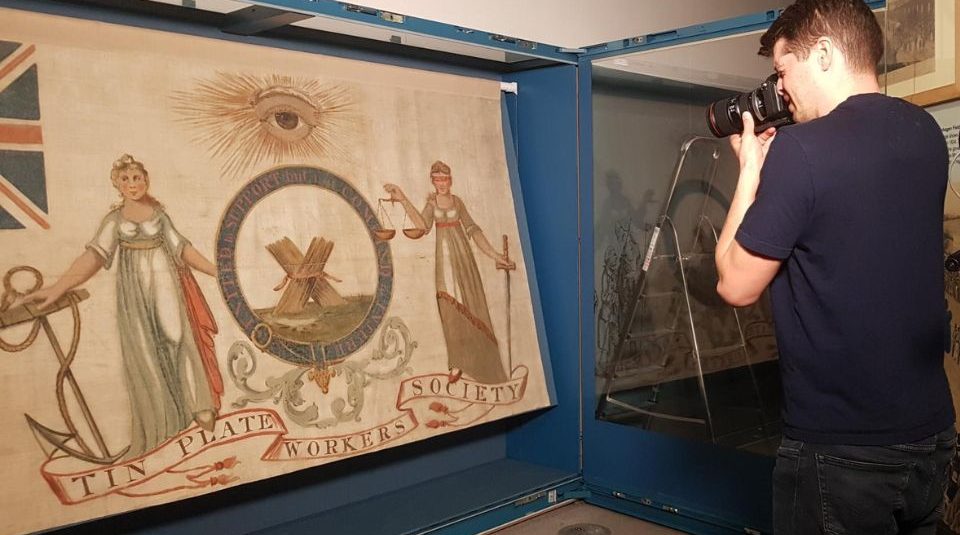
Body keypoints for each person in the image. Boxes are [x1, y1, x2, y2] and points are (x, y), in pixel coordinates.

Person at [713, 1, 956, 533]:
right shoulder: (925, 134)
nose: (780, 91)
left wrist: (751, 172)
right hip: (931, 436)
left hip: (842, 451)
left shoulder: (801, 150)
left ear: (823, 54)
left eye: (782, 71)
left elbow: (734, 282)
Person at [23, 154, 223, 459]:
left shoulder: (159, 215)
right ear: (117, 184)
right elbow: (91, 258)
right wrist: (57, 287)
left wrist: (219, 271)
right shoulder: (114, 222)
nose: (133, 184)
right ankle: (165, 427)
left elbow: (183, 249)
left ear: (146, 180)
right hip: (134, 298)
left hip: (166, 285)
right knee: (145, 354)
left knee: (177, 338)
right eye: (126, 179)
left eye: (137, 177)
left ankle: (200, 409)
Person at [384, 160, 514, 384]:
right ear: (432, 181)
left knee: (472, 305)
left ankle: (482, 361)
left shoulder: (457, 202)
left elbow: (473, 230)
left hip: (464, 259)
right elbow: (422, 226)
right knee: (448, 306)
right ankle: (457, 362)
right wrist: (403, 198)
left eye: (444, 178)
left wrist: (495, 256)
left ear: (450, 180)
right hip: (443, 260)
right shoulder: (432, 203)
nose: (441, 183)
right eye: (437, 179)